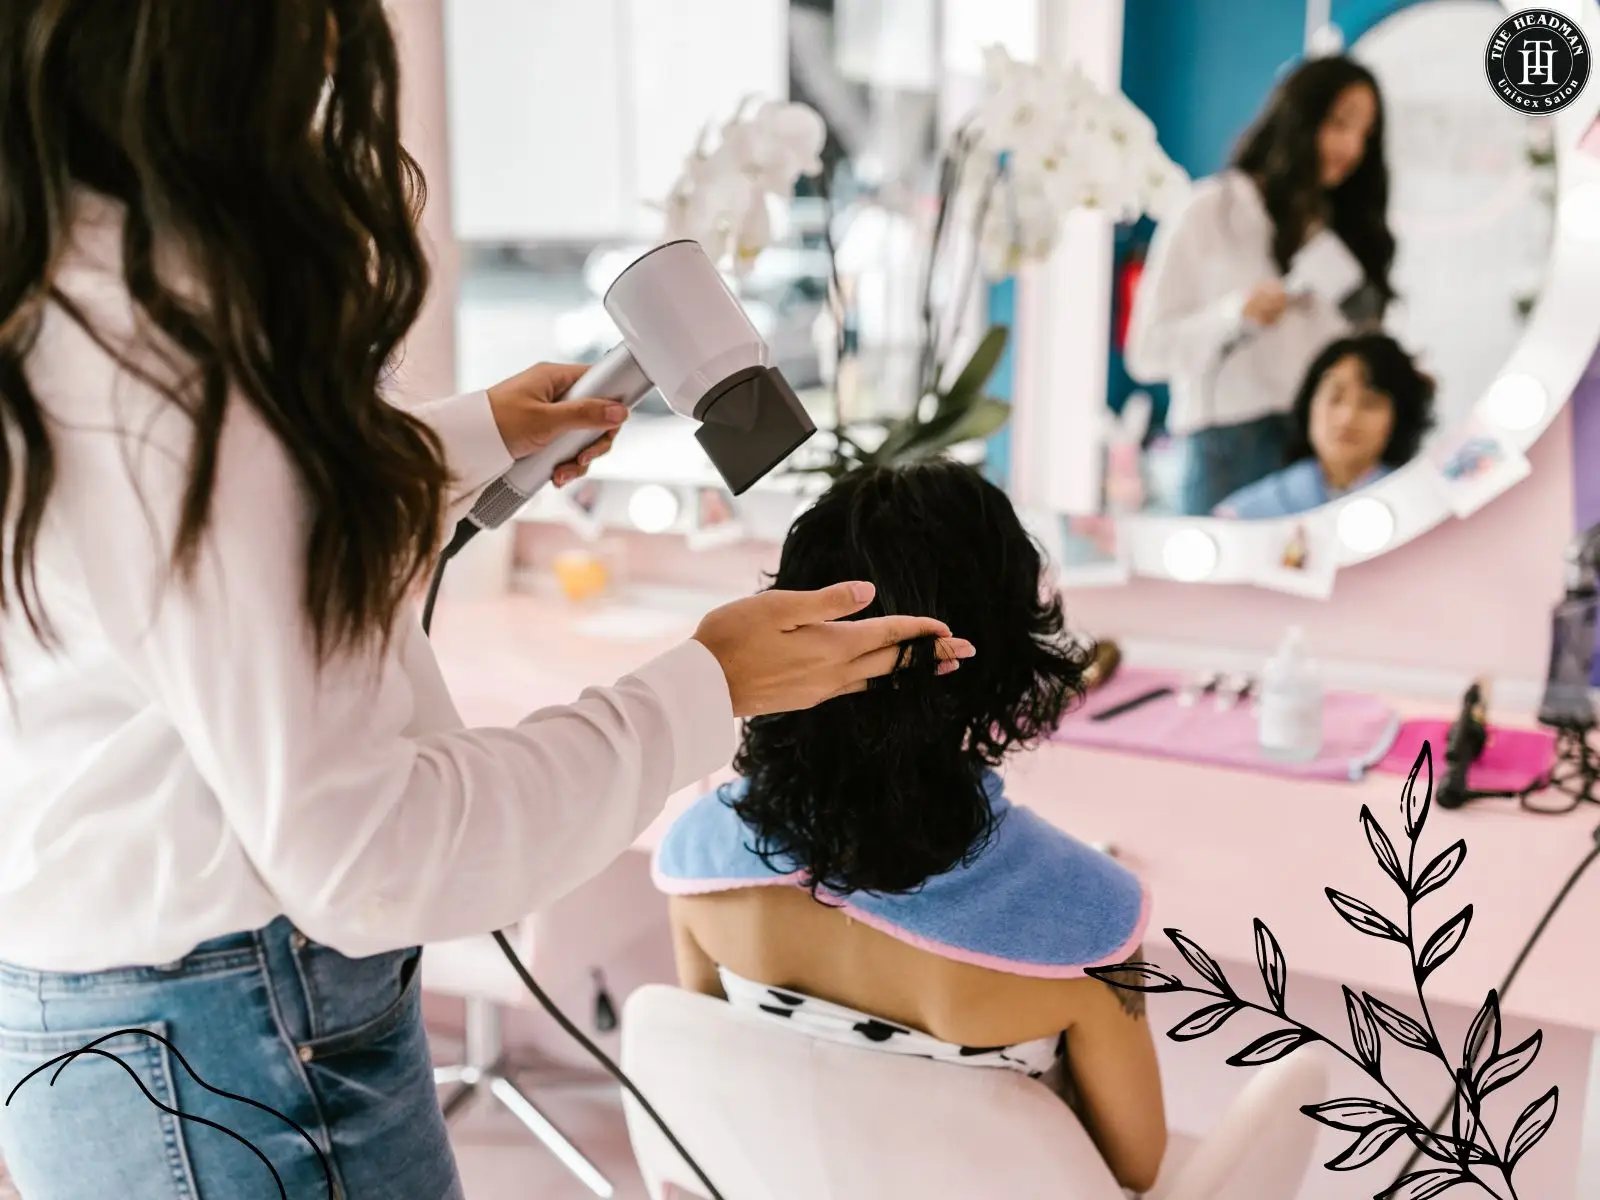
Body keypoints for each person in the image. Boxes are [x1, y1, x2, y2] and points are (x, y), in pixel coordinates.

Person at [0, 4, 974, 1198]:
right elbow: (366, 855)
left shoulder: (51, 298)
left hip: (77, 1027)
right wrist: (703, 689)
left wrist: (429, 453)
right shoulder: (190, 360)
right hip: (234, 1055)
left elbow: (156, 584)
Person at [653, 461, 1167, 1194]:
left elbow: (722, 1083)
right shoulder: (1088, 923)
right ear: (1001, 656)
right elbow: (1134, 1166)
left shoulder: (699, 859)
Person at [1124, 55, 1396, 516]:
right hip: (1226, 445)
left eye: (1365, 135)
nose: (1352, 147)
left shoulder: (1340, 231)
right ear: (1299, 117)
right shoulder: (1209, 211)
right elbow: (1146, 354)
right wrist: (1234, 316)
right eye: (1339, 124)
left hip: (1319, 452)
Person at [1213, 332, 1435, 520]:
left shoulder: (1422, 510)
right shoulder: (1244, 516)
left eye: (1370, 403)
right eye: (1335, 397)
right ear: (1309, 403)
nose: (1347, 417)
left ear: (1399, 417)